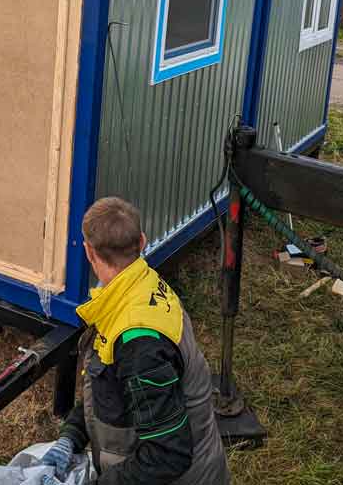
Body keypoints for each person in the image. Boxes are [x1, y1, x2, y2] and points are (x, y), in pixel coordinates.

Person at [38, 197, 230, 485]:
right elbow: (111, 389)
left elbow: (167, 456)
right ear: (142, 242)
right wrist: (72, 435)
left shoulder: (139, 343)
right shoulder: (138, 289)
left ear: (88, 252)